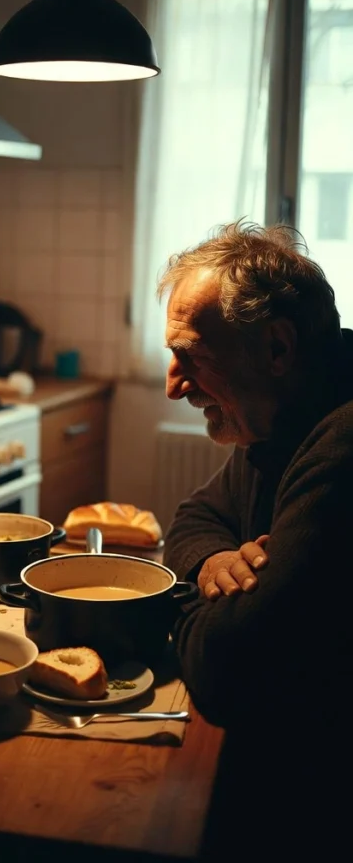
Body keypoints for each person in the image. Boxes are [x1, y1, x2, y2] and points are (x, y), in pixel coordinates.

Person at [159, 222, 352, 857]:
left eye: (192, 356)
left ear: (276, 347)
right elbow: (194, 517)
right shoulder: (279, 413)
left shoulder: (341, 445)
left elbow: (231, 670)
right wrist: (213, 562)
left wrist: (177, 606)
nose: (174, 384)